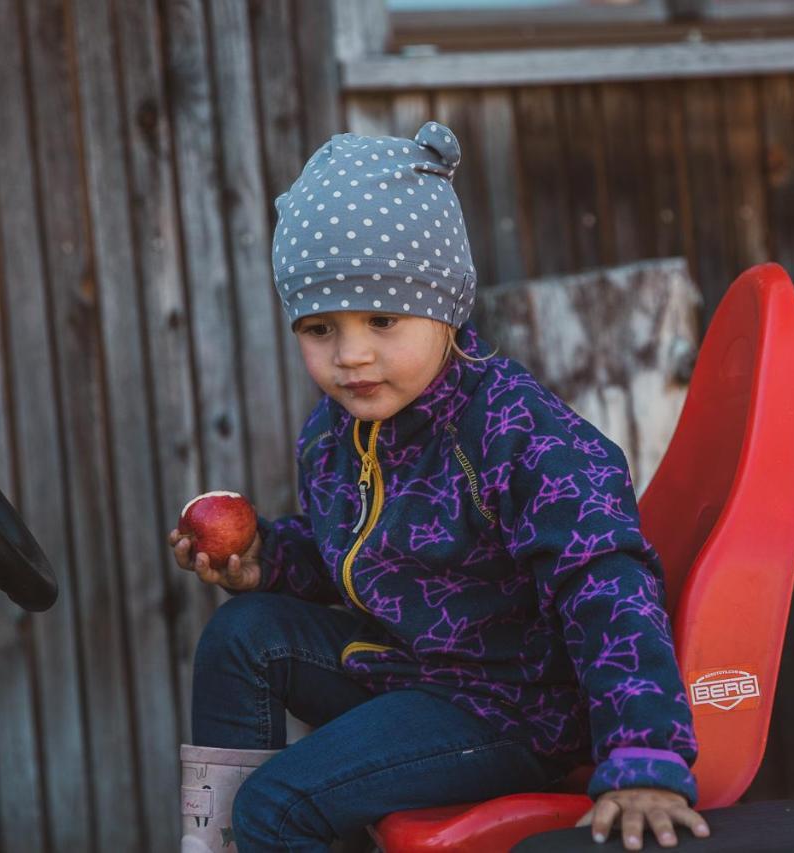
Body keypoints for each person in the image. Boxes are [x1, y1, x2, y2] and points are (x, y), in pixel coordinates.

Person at [170, 121, 709, 852]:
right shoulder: (339, 431)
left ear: (445, 304)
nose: (351, 354)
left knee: (278, 805)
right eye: (320, 327)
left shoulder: (517, 433)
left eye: (382, 318)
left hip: (511, 705)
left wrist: (645, 755)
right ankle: (224, 845)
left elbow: (604, 580)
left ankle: (259, 833)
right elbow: (358, 552)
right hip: (415, 667)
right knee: (242, 636)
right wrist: (270, 557)